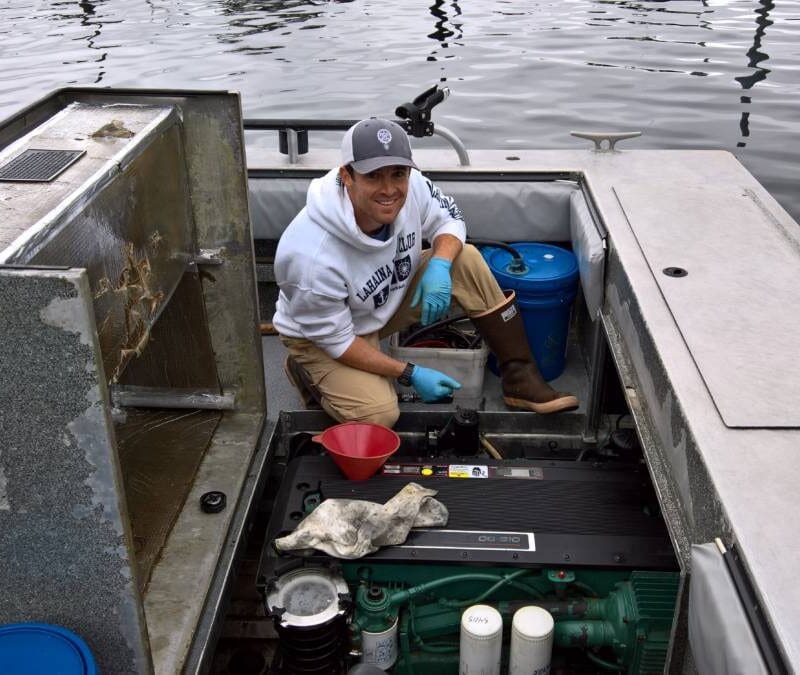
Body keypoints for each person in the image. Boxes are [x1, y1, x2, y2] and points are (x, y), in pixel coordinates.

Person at [272, 117, 578, 427]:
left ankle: (520, 377)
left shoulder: (413, 184)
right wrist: (409, 373)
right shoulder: (309, 257)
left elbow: (449, 221)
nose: (389, 189)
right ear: (347, 176)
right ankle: (306, 371)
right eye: (373, 176)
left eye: (398, 173)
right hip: (324, 338)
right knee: (379, 416)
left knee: (465, 258)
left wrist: (441, 264)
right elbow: (337, 341)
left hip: (378, 302)